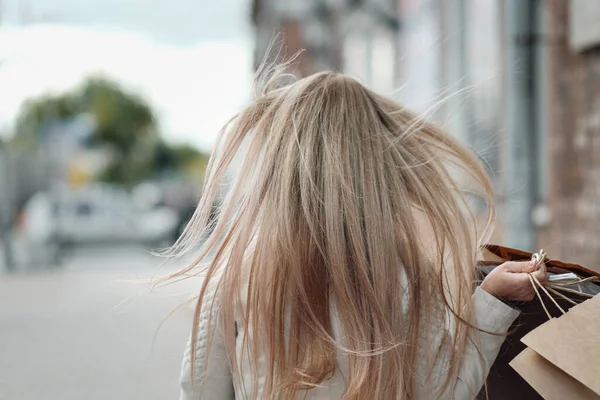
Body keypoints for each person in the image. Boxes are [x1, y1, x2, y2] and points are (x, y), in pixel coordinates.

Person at [161, 65, 548, 399]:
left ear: (280, 170)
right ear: (378, 168)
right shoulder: (407, 276)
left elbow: (199, 392)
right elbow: (440, 393)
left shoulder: (235, 280)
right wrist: (494, 301)